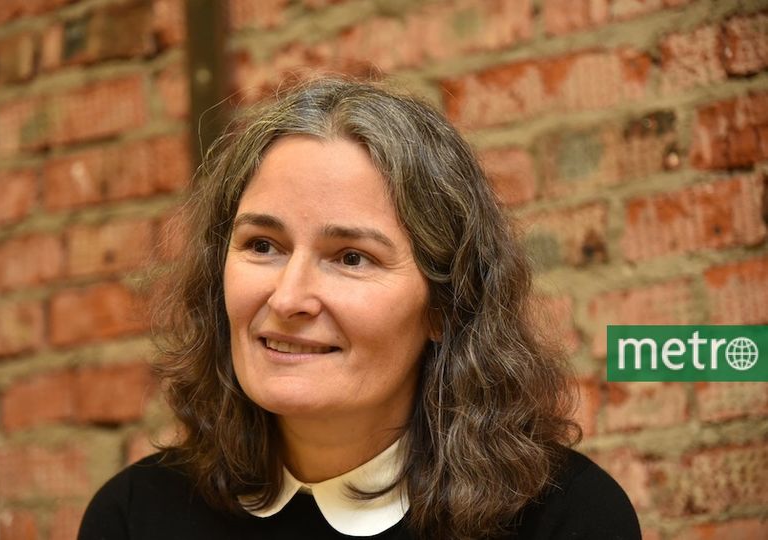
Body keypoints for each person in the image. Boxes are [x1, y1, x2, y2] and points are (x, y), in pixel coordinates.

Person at [78, 78, 640, 539]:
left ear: (445, 305)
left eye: (351, 257)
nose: (288, 298)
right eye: (263, 246)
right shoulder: (133, 516)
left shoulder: (565, 520)